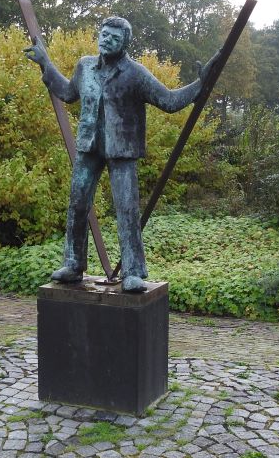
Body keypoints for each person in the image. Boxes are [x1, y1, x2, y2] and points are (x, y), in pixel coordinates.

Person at [25, 16, 214, 292]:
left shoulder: (135, 73)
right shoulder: (85, 66)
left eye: (114, 37)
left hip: (122, 151)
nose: (106, 40)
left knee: (126, 210)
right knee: (77, 205)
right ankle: (74, 263)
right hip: (89, 147)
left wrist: (200, 85)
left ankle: (133, 272)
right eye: (103, 34)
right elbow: (67, 92)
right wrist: (46, 63)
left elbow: (169, 101)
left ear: (125, 43)